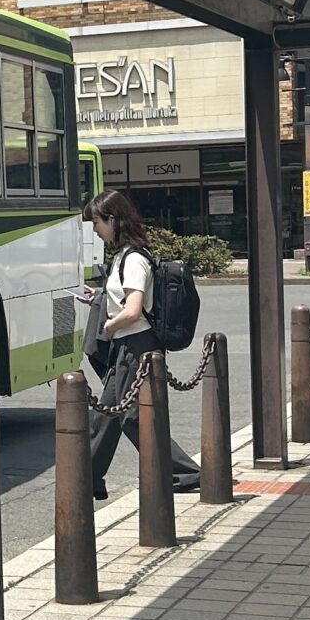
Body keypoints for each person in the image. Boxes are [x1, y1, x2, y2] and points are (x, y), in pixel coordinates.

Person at [79, 189, 198, 501]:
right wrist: (98, 298)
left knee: (131, 416)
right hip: (127, 347)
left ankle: (186, 473)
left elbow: (133, 310)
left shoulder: (133, 258)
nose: (95, 230)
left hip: (137, 346)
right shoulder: (122, 256)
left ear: (113, 219)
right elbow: (123, 301)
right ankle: (88, 477)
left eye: (97, 223)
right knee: (106, 413)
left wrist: (109, 324)